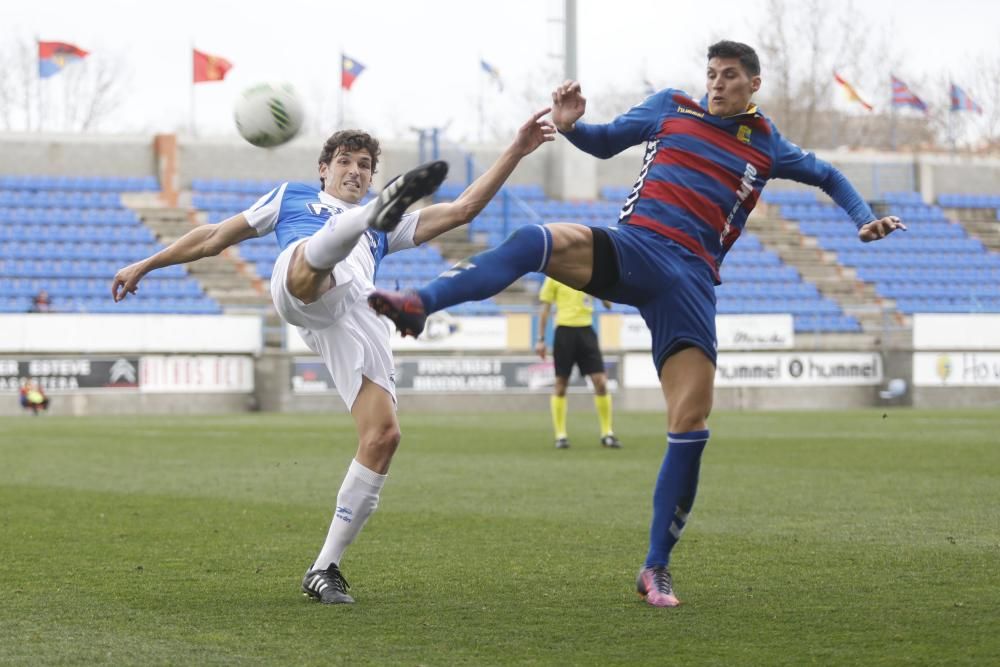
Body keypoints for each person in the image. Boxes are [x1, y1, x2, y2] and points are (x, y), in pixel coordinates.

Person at [368, 40, 906, 608]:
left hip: (690, 281)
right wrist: (572, 126)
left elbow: (828, 175)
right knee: (537, 240)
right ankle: (420, 304)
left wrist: (863, 219)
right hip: (637, 247)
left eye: (728, 76)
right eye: (711, 74)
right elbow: (602, 143)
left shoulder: (767, 142)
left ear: (753, 84)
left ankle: (655, 567)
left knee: (691, 424)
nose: (716, 83)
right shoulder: (671, 107)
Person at [111, 108, 556, 605]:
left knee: (383, 436)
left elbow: (463, 210)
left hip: (357, 313)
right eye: (345, 161)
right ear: (323, 169)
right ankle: (351, 227)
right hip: (300, 279)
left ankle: (324, 568)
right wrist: (147, 263)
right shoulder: (291, 197)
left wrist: (517, 148)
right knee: (316, 263)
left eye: (365, 165)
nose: (355, 170)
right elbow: (214, 236)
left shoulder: (389, 230)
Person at [535, 277, 621, 450]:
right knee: (560, 384)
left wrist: (601, 292)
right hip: (564, 333)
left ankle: (607, 433)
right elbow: (545, 309)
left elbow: (609, 305)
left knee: (601, 382)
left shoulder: (589, 272)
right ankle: (560, 435)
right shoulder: (554, 275)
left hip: (586, 331)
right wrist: (541, 339)